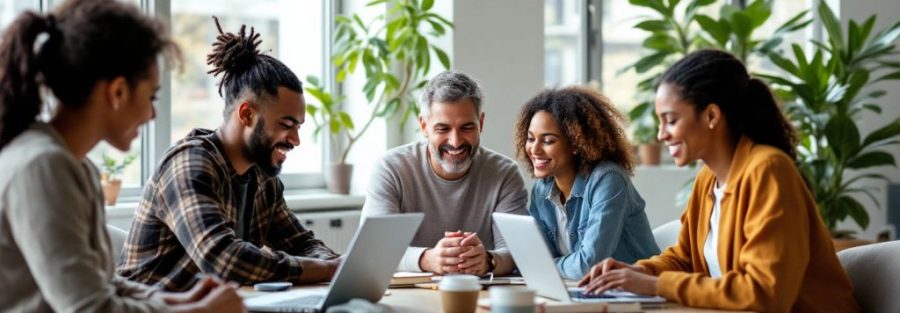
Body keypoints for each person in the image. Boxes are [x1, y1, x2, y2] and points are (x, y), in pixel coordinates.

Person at [0, 0, 246, 312]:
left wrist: (174, 300)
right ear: (117, 92)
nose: (153, 114)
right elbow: (89, 307)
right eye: (151, 97)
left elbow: (98, 282)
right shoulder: (43, 166)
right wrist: (198, 312)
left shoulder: (75, 165)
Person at [577, 49, 860, 312]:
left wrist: (654, 285)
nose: (661, 134)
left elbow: (765, 292)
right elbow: (685, 258)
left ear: (712, 115)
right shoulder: (708, 179)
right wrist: (638, 272)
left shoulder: (769, 170)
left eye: (671, 120)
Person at [117, 17, 339, 291]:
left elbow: (300, 243)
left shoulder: (262, 176)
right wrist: (324, 269)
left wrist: (337, 265)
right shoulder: (190, 164)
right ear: (246, 114)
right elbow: (221, 259)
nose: (296, 140)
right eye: (286, 125)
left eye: (299, 127)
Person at [362, 71, 528, 276]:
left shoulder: (505, 174)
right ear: (424, 126)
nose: (456, 141)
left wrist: (488, 260)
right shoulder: (391, 168)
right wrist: (427, 259)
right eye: (443, 129)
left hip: (476, 294)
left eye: (467, 128)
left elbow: (516, 253)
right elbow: (373, 249)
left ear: (481, 124)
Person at [514, 87, 660, 279]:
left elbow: (588, 265)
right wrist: (540, 265)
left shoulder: (608, 180)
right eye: (531, 139)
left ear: (576, 143)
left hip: (637, 294)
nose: (534, 149)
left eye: (548, 141)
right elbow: (539, 257)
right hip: (582, 292)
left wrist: (543, 267)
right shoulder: (542, 190)